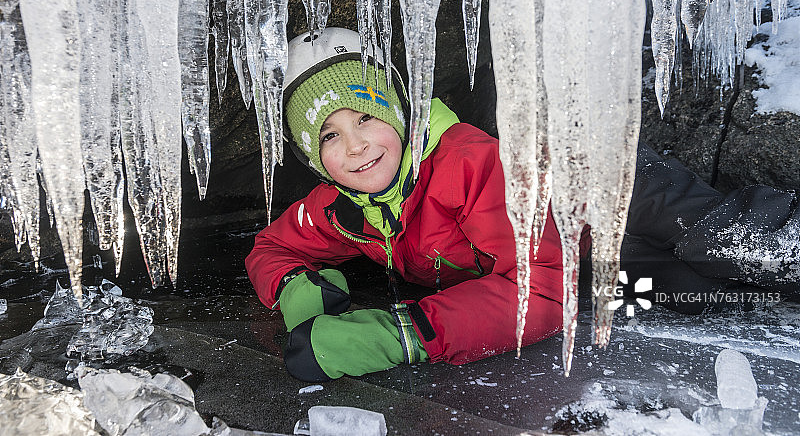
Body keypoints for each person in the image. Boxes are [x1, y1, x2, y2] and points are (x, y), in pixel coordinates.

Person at [246, 27, 800, 382]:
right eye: (330, 137)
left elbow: (540, 290)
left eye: (366, 117)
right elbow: (271, 247)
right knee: (700, 293)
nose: (357, 145)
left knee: (738, 245)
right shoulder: (340, 208)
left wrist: (406, 334)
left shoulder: (464, 165)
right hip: (584, 262)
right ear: (316, 162)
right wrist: (300, 288)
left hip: (598, 184)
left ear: (398, 112)